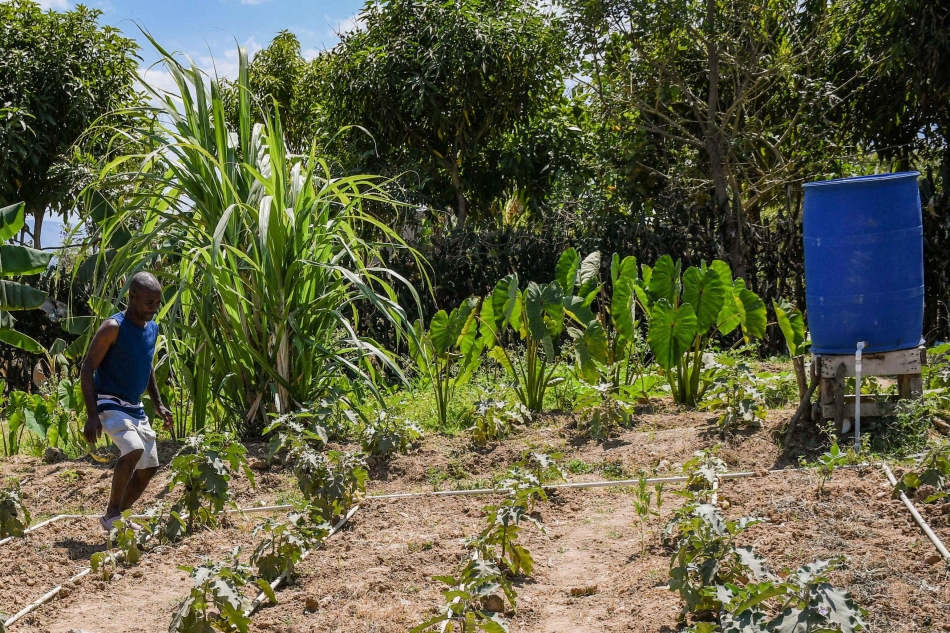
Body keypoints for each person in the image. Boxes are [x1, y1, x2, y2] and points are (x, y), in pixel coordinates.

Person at [81, 271, 174, 532]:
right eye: (148, 302)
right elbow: (87, 368)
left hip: (135, 407)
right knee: (133, 449)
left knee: (149, 467)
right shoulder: (114, 327)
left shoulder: (152, 328)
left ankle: (115, 517)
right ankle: (112, 513)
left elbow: (147, 367)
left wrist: (158, 403)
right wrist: (91, 414)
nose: (153, 308)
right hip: (110, 402)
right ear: (132, 297)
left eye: (157, 303)